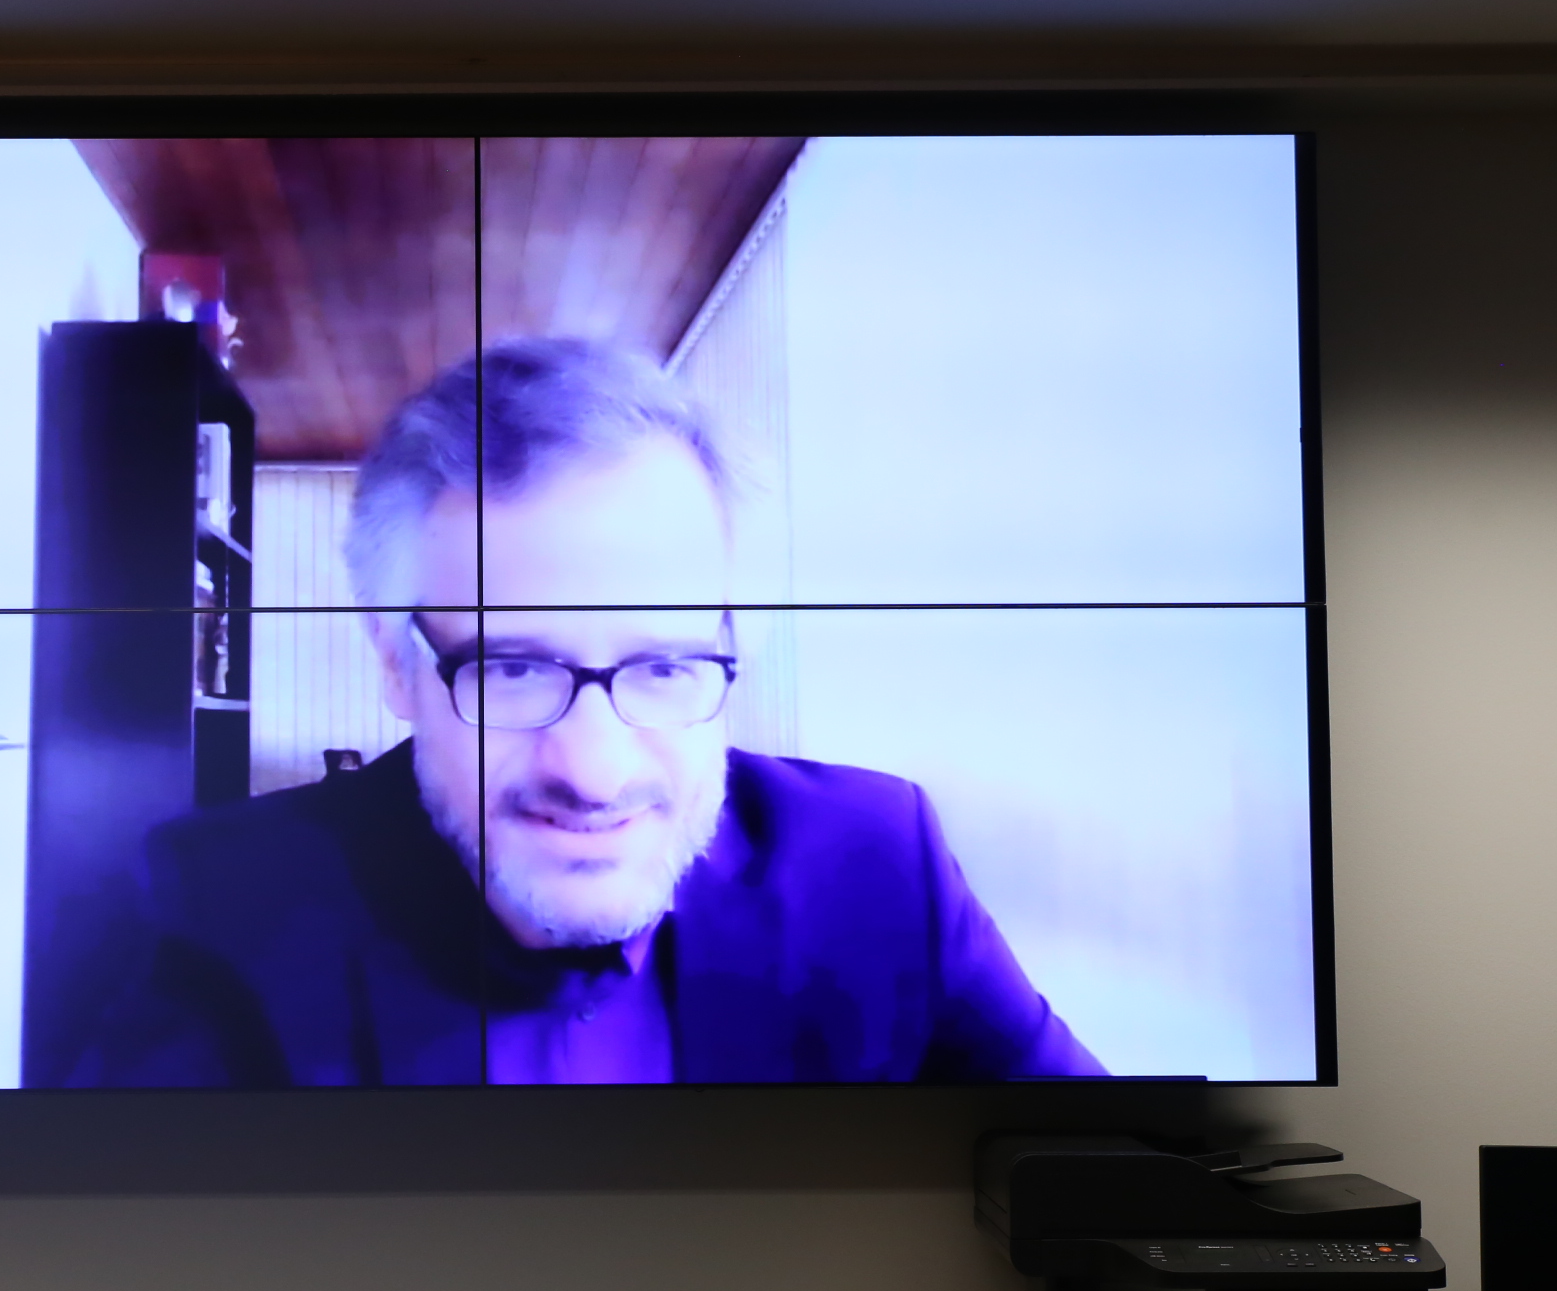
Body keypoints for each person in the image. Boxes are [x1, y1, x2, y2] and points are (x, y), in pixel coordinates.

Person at [66, 337, 1102, 1086]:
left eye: (664, 667)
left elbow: (1107, 1173)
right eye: (513, 672)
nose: (594, 771)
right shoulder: (222, 907)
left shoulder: (877, 867)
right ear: (396, 667)